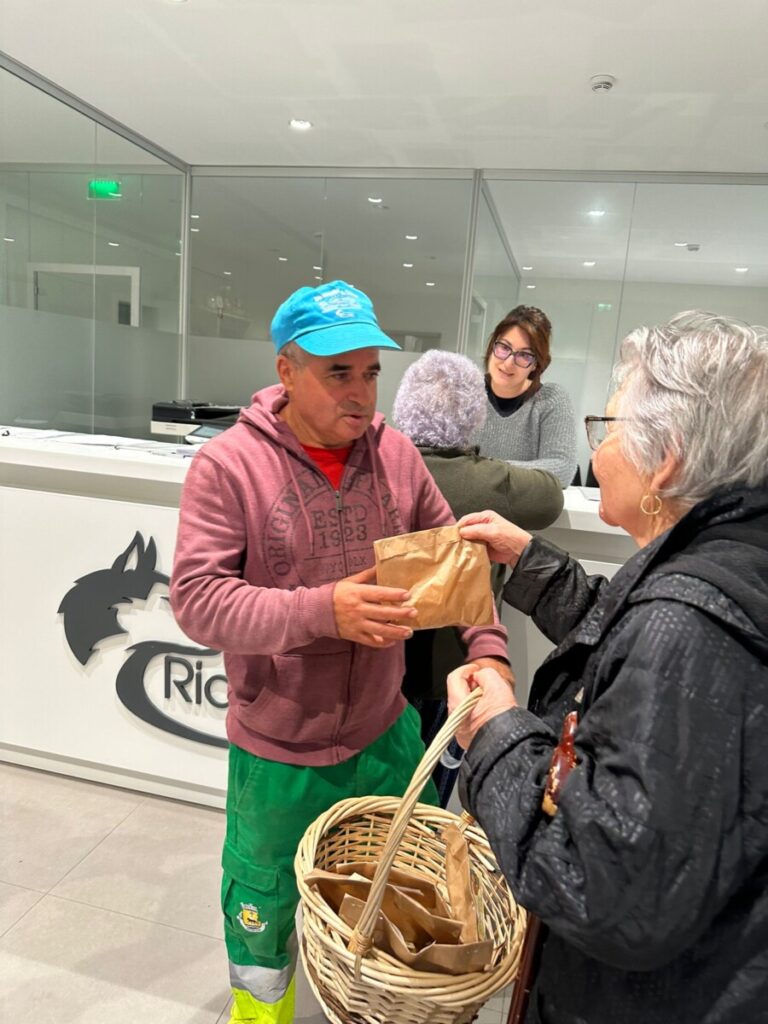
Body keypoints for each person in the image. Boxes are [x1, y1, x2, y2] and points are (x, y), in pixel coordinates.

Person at [169, 280, 512, 1024]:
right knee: (263, 909)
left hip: (384, 736)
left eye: (370, 372)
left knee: (383, 898)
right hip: (276, 753)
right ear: (286, 371)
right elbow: (197, 601)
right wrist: (324, 610)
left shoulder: (396, 457)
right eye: (338, 373)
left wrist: (490, 654)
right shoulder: (227, 466)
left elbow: (454, 564)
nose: (360, 393)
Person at [447, 310, 768, 1023]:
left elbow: (596, 879)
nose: (600, 450)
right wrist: (529, 561)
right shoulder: (729, 558)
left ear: (669, 460)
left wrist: (497, 732)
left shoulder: (688, 627)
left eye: (611, 428)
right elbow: (626, 635)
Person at [393, 349, 564, 803]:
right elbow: (551, 496)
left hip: (382, 664)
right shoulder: (488, 480)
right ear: (474, 415)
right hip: (459, 665)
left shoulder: (381, 469)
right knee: (428, 793)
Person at [474, 305, 577, 487]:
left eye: (524, 355)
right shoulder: (465, 392)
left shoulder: (550, 399)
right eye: (504, 347)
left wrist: (486, 469)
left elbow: (562, 469)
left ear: (536, 364)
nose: (508, 362)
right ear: (492, 346)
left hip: (520, 514)